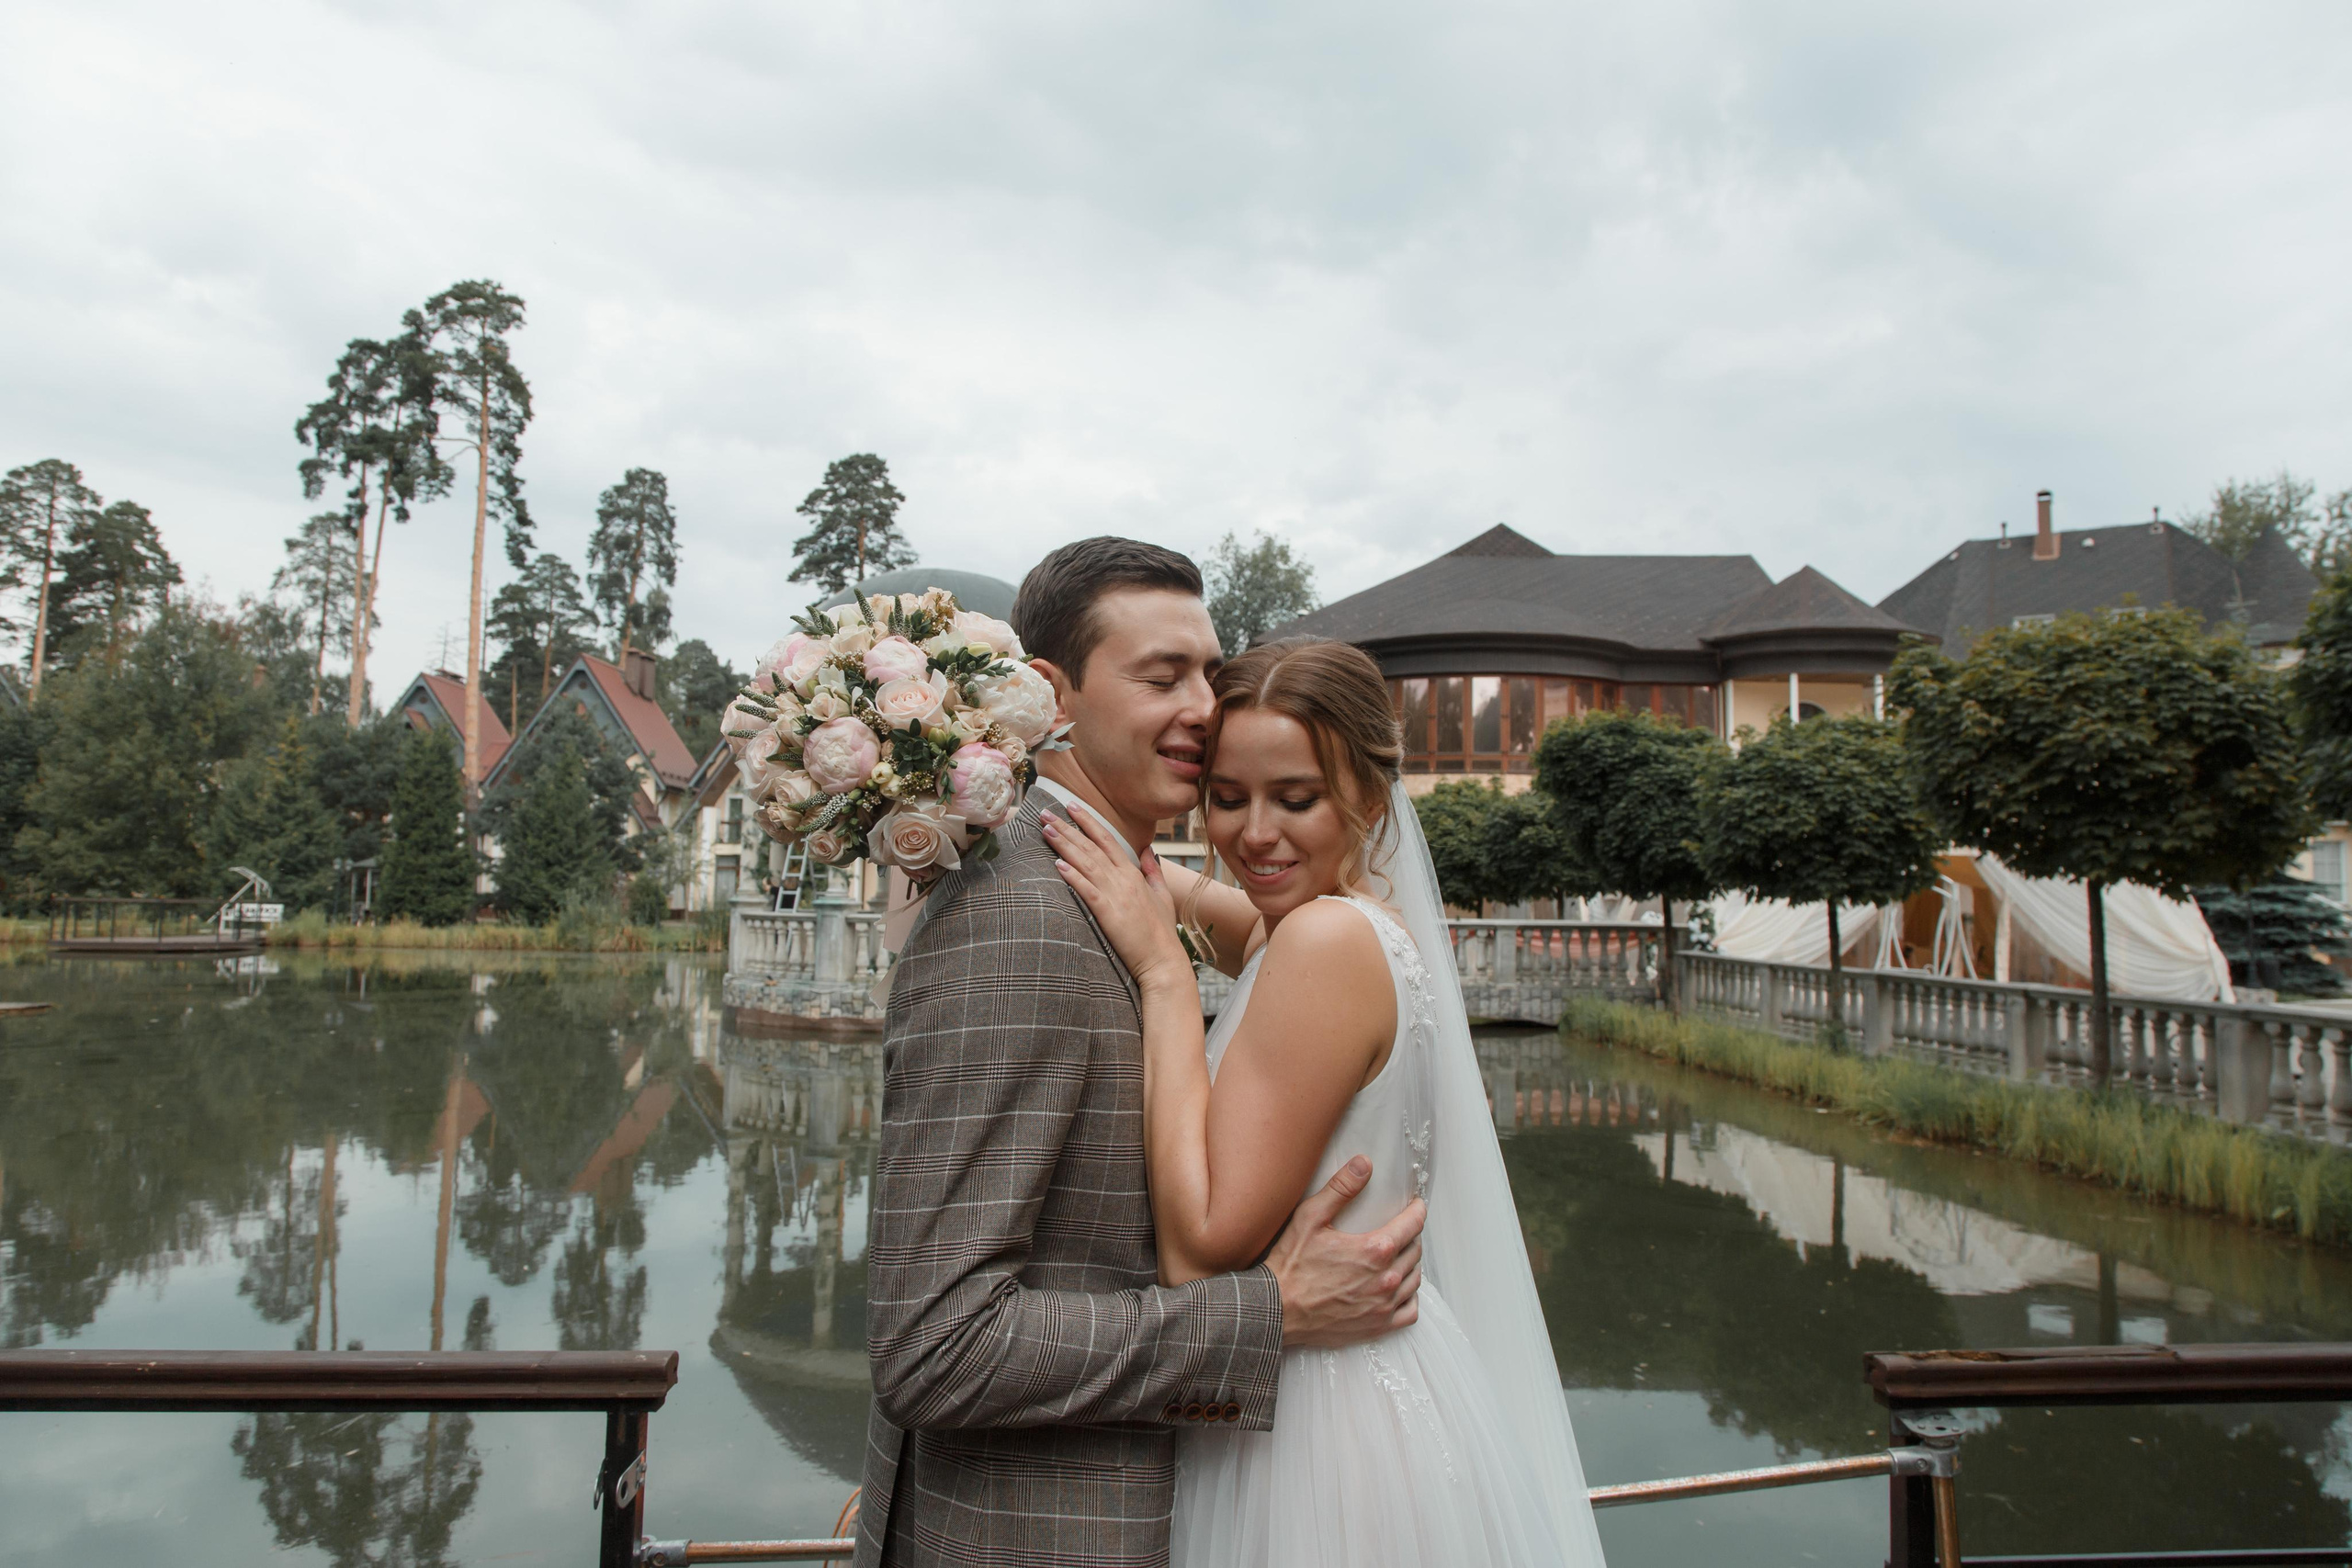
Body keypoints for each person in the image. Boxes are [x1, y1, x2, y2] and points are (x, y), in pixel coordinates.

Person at [856, 540, 1428, 1568]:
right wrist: (1267, 1314)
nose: (1206, 707)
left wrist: (1176, 917)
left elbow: (1287, 945)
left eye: (1211, 672)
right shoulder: (1017, 923)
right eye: (1162, 677)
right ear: (1051, 694)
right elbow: (933, 1348)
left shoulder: (1121, 885)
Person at [1045, 636, 1606, 1568]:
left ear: (1369, 801)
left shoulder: (1323, 945)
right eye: (1226, 798)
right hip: (1359, 1388)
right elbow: (1204, 905)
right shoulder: (1347, 925)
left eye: (1295, 799)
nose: (1254, 834)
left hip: (1320, 1433)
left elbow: (1198, 1253)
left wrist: (1163, 978)